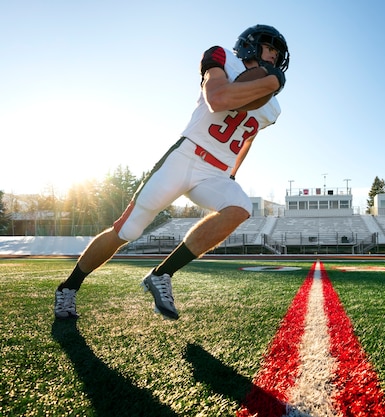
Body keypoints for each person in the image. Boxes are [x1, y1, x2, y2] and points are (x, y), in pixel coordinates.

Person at [54, 24, 289, 321]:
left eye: (278, 54)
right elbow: (216, 99)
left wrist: (232, 172)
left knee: (240, 208)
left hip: (215, 172)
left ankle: (161, 274)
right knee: (127, 230)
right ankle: (68, 288)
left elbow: (248, 138)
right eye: (271, 48)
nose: (275, 57)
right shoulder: (222, 57)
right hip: (186, 156)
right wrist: (268, 85)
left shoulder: (273, 109)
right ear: (251, 45)